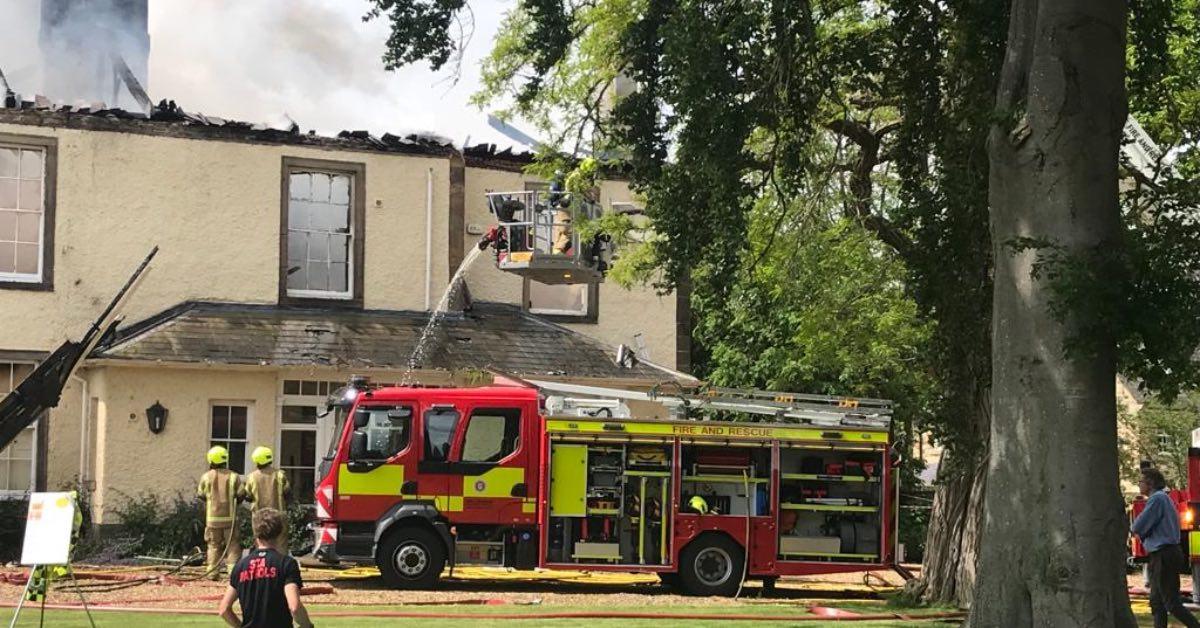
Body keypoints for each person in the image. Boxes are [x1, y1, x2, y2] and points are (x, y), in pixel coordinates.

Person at [218, 508, 314, 628]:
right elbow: (294, 606)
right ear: (280, 532)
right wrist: (307, 626)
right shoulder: (286, 564)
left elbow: (224, 610)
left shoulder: (240, 566)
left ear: (255, 533)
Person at [1131, 467, 1200, 628]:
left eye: (1140, 481)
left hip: (1164, 554)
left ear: (1150, 483)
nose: (1139, 485)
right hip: (1163, 553)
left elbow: (1138, 526)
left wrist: (1138, 529)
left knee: (1171, 602)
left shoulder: (1157, 499)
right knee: (1156, 602)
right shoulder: (1165, 499)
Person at [198, 445, 243, 580]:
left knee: (213, 546)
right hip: (230, 519)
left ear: (211, 460)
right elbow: (241, 494)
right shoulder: (234, 476)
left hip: (212, 519)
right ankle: (233, 573)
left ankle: (212, 573)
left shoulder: (206, 477)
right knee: (233, 545)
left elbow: (201, 495)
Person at [244, 446, 292, 553]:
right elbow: (287, 493)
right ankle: (281, 567)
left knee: (261, 543)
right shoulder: (280, 475)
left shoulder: (252, 477)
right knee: (281, 544)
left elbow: (247, 496)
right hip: (278, 515)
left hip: (259, 516)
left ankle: (262, 565)